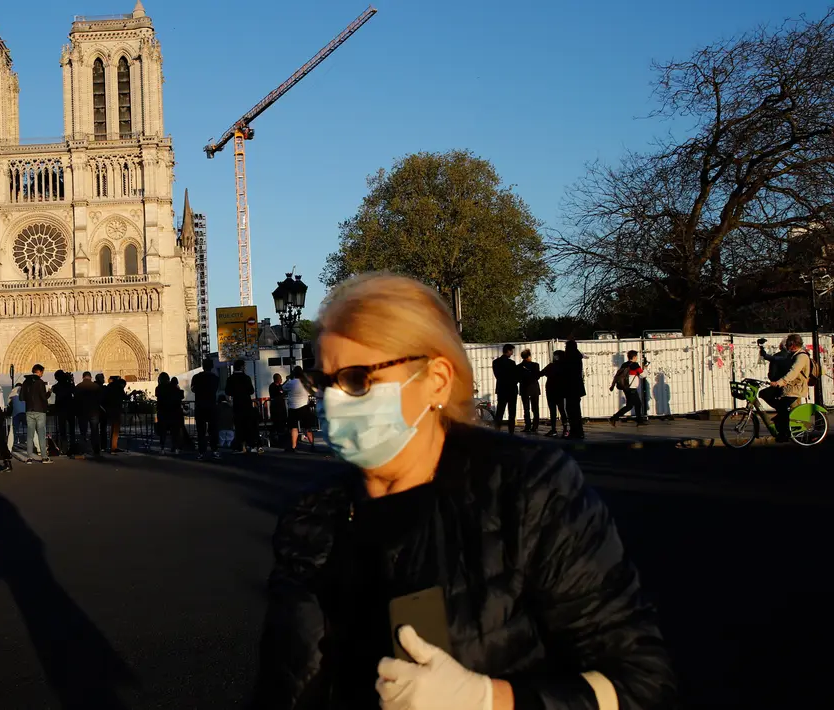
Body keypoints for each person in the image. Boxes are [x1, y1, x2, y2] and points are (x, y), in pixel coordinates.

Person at [253, 273, 674, 709]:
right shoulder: (313, 513)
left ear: (437, 379)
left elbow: (644, 685)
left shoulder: (526, 489)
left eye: (358, 380)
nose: (333, 402)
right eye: (325, 382)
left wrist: (491, 700)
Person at [763, 333, 813, 442]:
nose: (787, 346)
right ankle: (786, 431)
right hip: (790, 388)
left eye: (788, 344)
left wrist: (779, 382)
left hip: (796, 389)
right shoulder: (794, 355)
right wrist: (767, 356)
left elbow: (793, 372)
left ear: (793, 344)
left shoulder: (802, 357)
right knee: (786, 410)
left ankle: (786, 433)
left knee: (785, 409)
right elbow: (780, 360)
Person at [226, 359, 260, 453]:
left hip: (237, 403)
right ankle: (251, 445)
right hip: (246, 403)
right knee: (248, 425)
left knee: (239, 426)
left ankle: (241, 446)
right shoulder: (246, 378)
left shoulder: (231, 378)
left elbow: (227, 391)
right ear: (241, 367)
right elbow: (251, 391)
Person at [191, 359, 221, 459]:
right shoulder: (215, 378)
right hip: (211, 405)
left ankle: (201, 452)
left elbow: (193, 389)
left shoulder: (196, 377)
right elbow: (215, 389)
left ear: (203, 366)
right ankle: (214, 450)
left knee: (201, 431)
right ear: (212, 366)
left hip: (200, 406)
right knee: (213, 430)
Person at [610, 350, 648, 426]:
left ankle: (614, 418)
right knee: (638, 404)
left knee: (630, 406)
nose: (637, 358)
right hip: (632, 388)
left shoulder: (624, 364)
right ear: (634, 357)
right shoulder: (635, 365)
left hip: (625, 387)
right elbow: (643, 375)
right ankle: (639, 421)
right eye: (636, 356)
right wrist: (645, 368)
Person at [22, 364, 51, 463]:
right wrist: (49, 393)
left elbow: (21, 397)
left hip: (29, 410)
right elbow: (43, 397)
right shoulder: (40, 382)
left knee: (29, 435)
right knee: (41, 434)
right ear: (39, 372)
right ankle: (44, 457)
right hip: (40, 411)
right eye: (42, 372)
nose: (42, 374)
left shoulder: (25, 382)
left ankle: (29, 457)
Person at [283, 366, 315, 452]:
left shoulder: (290, 383)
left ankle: (293, 446)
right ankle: (312, 445)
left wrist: (288, 379)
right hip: (304, 407)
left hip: (292, 407)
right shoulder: (305, 382)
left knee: (294, 428)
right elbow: (312, 391)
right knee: (307, 427)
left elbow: (282, 388)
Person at [561, 339, 587, 439]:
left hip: (570, 387)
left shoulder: (569, 358)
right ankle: (578, 431)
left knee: (571, 410)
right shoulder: (577, 356)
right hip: (576, 387)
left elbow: (566, 371)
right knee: (576, 410)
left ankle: (575, 431)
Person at [75, 371, 104, 458]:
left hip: (82, 412)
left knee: (83, 432)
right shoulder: (96, 386)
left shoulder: (78, 386)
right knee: (95, 431)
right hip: (94, 412)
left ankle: (83, 451)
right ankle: (96, 451)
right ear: (91, 377)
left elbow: (75, 400)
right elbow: (100, 399)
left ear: (83, 377)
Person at [539, 349, 568, 437]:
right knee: (562, 410)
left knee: (553, 411)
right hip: (560, 391)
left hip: (551, 390)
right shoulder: (565, 367)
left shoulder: (551, 366)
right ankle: (565, 430)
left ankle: (554, 430)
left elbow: (541, 373)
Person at [492, 344, 519, 434]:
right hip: (511, 390)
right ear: (508, 351)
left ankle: (497, 430)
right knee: (512, 412)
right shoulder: (512, 363)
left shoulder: (495, 362)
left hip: (501, 389)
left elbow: (497, 376)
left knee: (500, 411)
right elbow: (515, 377)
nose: (512, 353)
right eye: (511, 351)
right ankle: (511, 431)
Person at [155, 372, 183, 453]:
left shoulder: (159, 388)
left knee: (162, 431)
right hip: (174, 412)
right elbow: (180, 397)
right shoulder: (174, 387)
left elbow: (158, 396)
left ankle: (162, 448)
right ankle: (174, 447)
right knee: (174, 431)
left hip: (163, 412)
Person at [52, 370, 77, 455]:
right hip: (70, 410)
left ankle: (64, 448)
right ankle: (73, 448)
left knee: (63, 431)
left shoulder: (56, 387)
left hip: (61, 410)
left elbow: (54, 389)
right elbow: (75, 391)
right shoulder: (69, 385)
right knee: (72, 431)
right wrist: (71, 381)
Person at [518, 348, 542, 433]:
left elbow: (518, 378)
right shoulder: (535, 365)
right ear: (529, 356)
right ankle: (535, 426)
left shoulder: (519, 367)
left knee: (526, 408)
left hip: (524, 389)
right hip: (534, 389)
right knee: (535, 408)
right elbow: (537, 376)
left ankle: (527, 426)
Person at [104, 375, 128, 453]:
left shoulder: (109, 387)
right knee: (116, 430)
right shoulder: (118, 388)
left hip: (109, 410)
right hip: (116, 410)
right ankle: (113, 447)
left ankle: (112, 446)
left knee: (112, 429)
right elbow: (125, 397)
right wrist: (133, 393)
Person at [269, 373, 288, 446]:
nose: (281, 380)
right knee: (277, 423)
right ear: (277, 379)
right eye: (280, 378)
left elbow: (283, 391)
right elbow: (278, 393)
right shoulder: (272, 386)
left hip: (282, 407)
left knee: (283, 423)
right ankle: (276, 440)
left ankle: (282, 439)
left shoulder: (280, 386)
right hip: (276, 408)